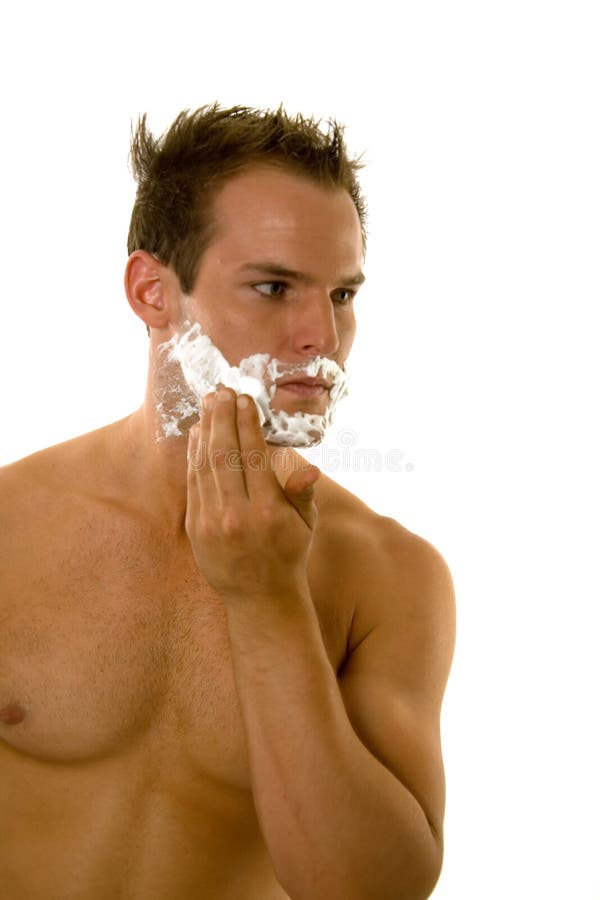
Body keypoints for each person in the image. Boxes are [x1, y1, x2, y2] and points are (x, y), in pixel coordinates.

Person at [0, 103, 455, 899]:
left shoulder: (389, 576)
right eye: (274, 286)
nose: (321, 333)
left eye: (343, 295)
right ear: (152, 292)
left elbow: (373, 891)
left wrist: (268, 600)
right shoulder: (12, 528)